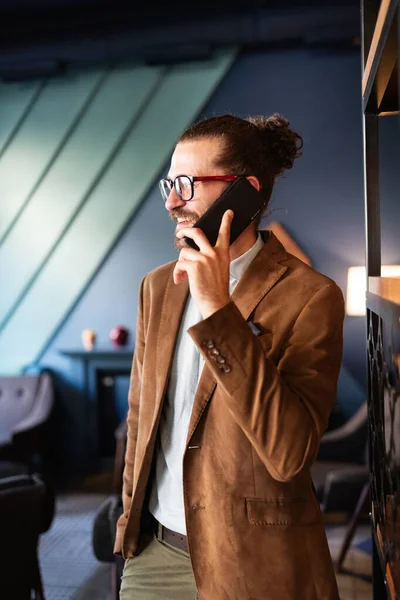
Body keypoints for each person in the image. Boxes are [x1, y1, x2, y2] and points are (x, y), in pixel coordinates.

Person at [114, 113, 344, 600]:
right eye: (169, 183)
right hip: (154, 553)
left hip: (254, 564)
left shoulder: (311, 296)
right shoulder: (157, 286)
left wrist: (219, 309)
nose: (172, 201)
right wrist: (128, 527)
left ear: (246, 193)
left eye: (188, 184)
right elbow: (140, 416)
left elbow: (290, 453)